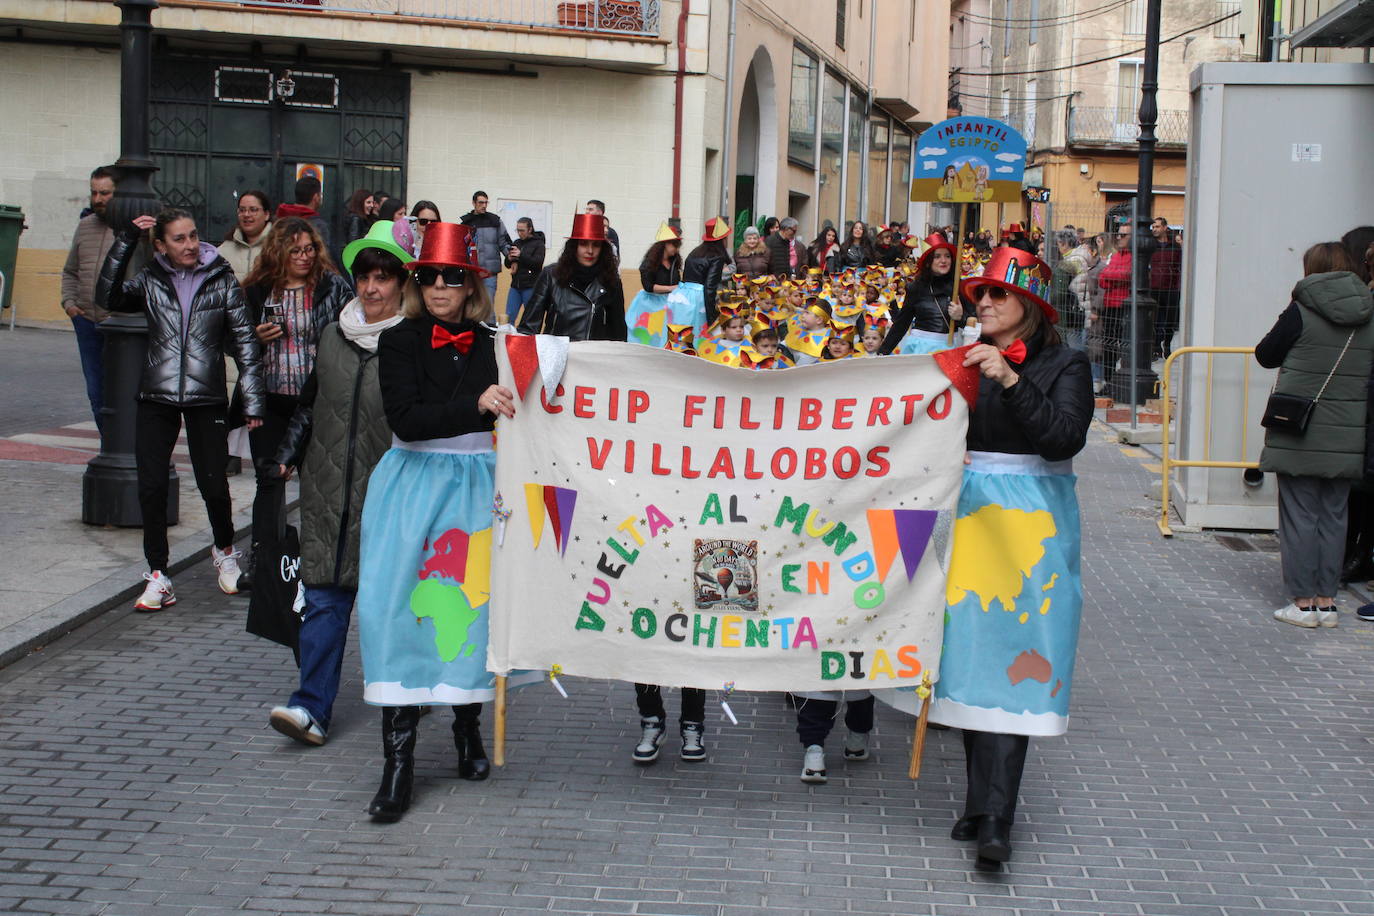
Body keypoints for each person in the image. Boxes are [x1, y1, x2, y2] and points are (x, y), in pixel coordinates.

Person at [934, 246, 1093, 870]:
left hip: (1031, 529)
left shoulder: (1067, 363)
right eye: (980, 295)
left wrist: (1008, 379)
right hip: (971, 515)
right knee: (970, 654)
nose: (985, 303)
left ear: (1028, 304)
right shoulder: (965, 358)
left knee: (1011, 661)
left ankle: (997, 814)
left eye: (997, 294)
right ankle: (981, 803)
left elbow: (1064, 437)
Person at [267, 219, 412, 747]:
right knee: (323, 599)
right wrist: (287, 455)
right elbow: (311, 402)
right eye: (365, 277)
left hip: (388, 496)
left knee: (391, 608)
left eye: (383, 278)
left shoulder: (412, 344)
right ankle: (311, 708)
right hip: (328, 490)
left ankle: (412, 696)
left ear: (402, 283)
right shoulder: (333, 333)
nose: (372, 288)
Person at [101, 208, 264, 610]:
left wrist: (253, 400)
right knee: (152, 486)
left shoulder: (221, 279)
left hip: (206, 395)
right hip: (156, 395)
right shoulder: (150, 279)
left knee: (213, 484)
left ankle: (224, 552)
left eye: (193, 236)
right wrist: (124, 242)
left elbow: (245, 341)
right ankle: (159, 574)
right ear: (160, 245)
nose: (190, 245)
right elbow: (108, 298)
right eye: (179, 239)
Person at [1255, 242, 1374, 629]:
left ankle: (1303, 603)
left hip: (1299, 429)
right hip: (1347, 432)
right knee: (1335, 516)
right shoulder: (1368, 312)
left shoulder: (1302, 308)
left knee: (1300, 516)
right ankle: (1328, 602)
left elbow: (1266, 353)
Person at [237, 217, 353, 587]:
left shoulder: (332, 287)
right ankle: (263, 560)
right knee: (269, 480)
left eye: (309, 249)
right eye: (295, 251)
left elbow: (352, 331)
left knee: (315, 483)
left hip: (315, 401)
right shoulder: (257, 290)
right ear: (278, 253)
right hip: (269, 400)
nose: (304, 257)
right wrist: (254, 338)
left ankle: (314, 560)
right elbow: (231, 343)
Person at [61, 166, 118, 429]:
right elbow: (70, 270)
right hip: (87, 322)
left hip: (118, 327)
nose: (98, 199)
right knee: (96, 393)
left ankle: (125, 449)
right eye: (94, 193)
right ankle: (108, 446)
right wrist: (70, 304)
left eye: (104, 193)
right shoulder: (85, 226)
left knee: (120, 392)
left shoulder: (132, 228)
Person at [518, 213, 626, 341]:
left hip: (594, 358)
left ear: (603, 249)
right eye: (583, 244)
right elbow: (529, 326)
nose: (590, 251)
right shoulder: (551, 276)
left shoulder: (611, 282)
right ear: (574, 246)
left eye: (596, 245)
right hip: (557, 357)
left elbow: (618, 333)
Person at [881, 233, 960, 355]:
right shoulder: (916, 288)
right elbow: (902, 323)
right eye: (937, 256)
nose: (943, 260)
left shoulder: (958, 286)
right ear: (928, 262)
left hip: (950, 349)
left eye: (947, 256)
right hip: (921, 350)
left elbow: (974, 321)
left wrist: (961, 316)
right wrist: (882, 352)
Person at [625, 222, 684, 347]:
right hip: (650, 306)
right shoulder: (649, 263)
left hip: (669, 304)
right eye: (674, 245)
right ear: (665, 244)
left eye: (678, 245)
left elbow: (677, 281)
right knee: (651, 337)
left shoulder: (675, 261)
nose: (676, 249)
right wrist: (671, 288)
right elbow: (648, 286)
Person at [1096, 224, 1134, 388]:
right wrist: (1113, 276)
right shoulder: (1117, 255)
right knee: (1108, 345)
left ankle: (1122, 381)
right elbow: (1102, 279)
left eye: (1123, 235)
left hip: (1123, 306)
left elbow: (1128, 275)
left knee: (1124, 344)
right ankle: (1108, 380)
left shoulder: (1133, 257)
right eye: (1118, 235)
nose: (1118, 238)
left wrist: (1110, 275)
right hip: (1110, 305)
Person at [459, 191, 511, 301]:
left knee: (488, 308)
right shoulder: (465, 223)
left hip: (490, 273)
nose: (484, 206)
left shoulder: (495, 221)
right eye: (481, 203)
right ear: (473, 203)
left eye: (486, 203)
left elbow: (504, 243)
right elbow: (460, 248)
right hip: (471, 273)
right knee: (470, 307)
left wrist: (512, 258)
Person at [680, 218, 730, 328]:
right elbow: (710, 288)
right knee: (701, 334)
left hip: (684, 296)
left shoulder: (695, 251)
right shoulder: (717, 256)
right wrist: (712, 318)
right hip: (700, 299)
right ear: (722, 240)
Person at [1051, 228, 1090, 352]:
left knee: (1073, 349)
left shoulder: (1072, 261)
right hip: (1079, 309)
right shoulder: (1079, 256)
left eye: (1058, 244)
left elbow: (1060, 293)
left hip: (1071, 312)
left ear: (1063, 244)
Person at [219, 190, 273, 280]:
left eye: (253, 210)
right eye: (242, 210)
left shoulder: (279, 246)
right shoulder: (224, 250)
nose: (246, 215)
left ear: (266, 214)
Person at [1149, 217, 1182, 358]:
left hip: (1171, 288)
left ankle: (1167, 345)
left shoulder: (1175, 247)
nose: (1154, 229)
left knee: (1169, 320)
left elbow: (1181, 265)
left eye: (1157, 227)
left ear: (1164, 228)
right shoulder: (1150, 246)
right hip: (1154, 287)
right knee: (1154, 321)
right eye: (1153, 227)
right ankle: (1156, 346)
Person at [503, 217, 545, 324]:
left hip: (530, 286)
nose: (519, 233)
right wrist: (510, 259)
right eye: (517, 230)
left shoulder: (539, 244)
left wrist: (521, 255)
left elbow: (537, 263)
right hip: (515, 286)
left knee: (530, 318)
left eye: (522, 230)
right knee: (509, 316)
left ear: (530, 229)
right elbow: (507, 264)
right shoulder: (517, 242)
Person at [275, 177, 331, 252]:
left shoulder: (279, 219)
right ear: (316, 197)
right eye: (320, 194)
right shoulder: (319, 226)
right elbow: (324, 256)